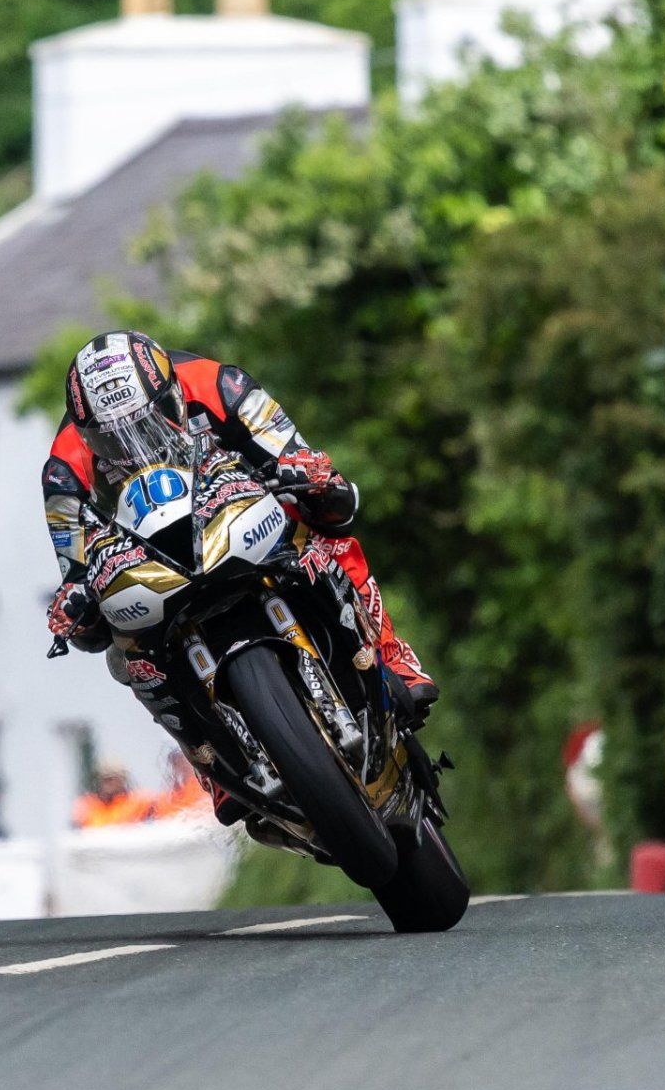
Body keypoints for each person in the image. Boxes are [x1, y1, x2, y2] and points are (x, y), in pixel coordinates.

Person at [42, 331, 439, 816]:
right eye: (111, 439)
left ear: (169, 392)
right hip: (151, 556)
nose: (133, 445)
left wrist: (312, 477)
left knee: (323, 534)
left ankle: (393, 657)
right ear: (87, 433)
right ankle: (210, 758)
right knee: (125, 653)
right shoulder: (64, 468)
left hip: (237, 511)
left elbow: (291, 448)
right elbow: (74, 560)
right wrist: (75, 605)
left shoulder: (219, 383)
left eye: (146, 424)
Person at [71, 759, 151, 829]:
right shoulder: (87, 806)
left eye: (111, 778)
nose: (106, 783)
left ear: (122, 780)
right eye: (103, 779)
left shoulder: (138, 802)